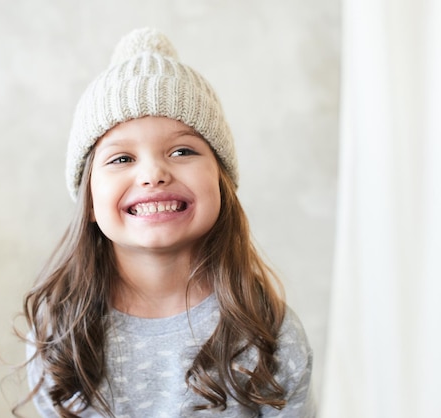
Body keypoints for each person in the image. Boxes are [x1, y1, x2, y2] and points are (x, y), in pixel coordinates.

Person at [18, 28, 315, 418]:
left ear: (221, 183)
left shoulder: (269, 333)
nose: (153, 173)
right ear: (89, 200)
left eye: (182, 150)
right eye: (122, 158)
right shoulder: (59, 337)